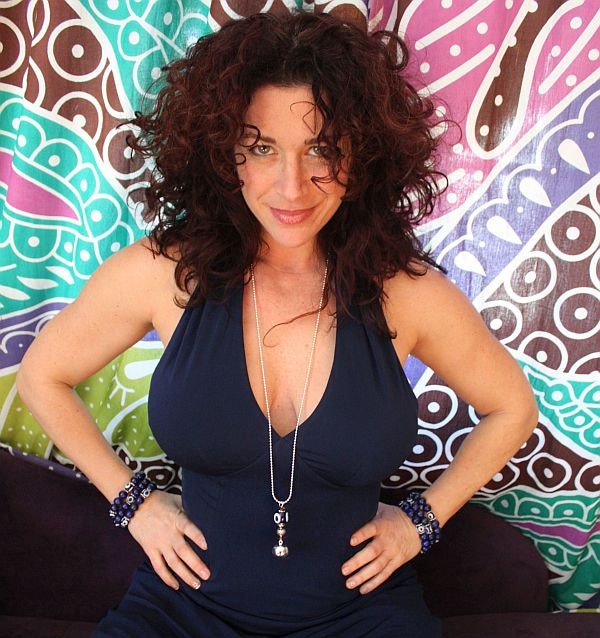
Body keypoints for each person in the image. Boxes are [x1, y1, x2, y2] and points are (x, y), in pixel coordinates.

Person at [16, 11, 538, 637]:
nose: (292, 187)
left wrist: (420, 523)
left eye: (321, 148)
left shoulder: (407, 292)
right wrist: (134, 505)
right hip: (182, 613)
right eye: (262, 148)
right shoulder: (162, 272)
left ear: (363, 154)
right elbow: (42, 376)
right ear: (224, 152)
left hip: (361, 618)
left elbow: (513, 408)